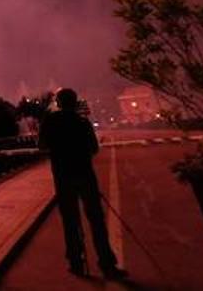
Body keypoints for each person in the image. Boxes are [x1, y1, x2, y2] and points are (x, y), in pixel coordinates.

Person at [39, 88, 124, 279]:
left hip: (63, 177)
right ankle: (107, 264)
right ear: (75, 102)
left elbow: (42, 146)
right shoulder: (82, 122)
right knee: (96, 221)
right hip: (85, 175)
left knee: (70, 221)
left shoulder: (50, 122)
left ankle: (76, 262)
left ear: (58, 103)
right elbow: (93, 148)